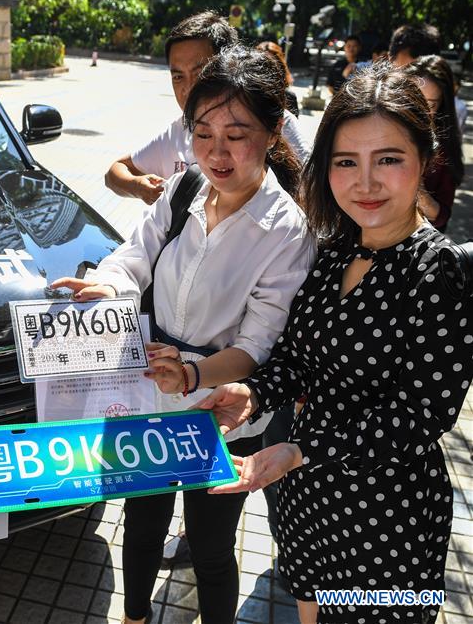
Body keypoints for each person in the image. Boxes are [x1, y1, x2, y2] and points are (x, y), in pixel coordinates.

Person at [200, 63, 473, 624]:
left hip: (387, 517)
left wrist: (302, 449)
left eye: (388, 160)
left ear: (424, 159)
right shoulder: (333, 248)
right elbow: (300, 358)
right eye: (346, 162)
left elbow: (421, 416)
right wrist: (252, 393)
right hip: (307, 494)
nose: (364, 183)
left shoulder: (437, 270)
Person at [55, 46, 316, 624]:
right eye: (202, 133)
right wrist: (108, 289)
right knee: (142, 525)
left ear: (274, 131)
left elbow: (256, 348)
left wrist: (195, 373)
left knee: (212, 545)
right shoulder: (182, 191)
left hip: (226, 413)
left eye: (236, 134)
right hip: (151, 393)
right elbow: (134, 257)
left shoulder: (287, 231)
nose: (216, 153)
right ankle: (135, 617)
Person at [105, 14, 311, 204]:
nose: (188, 89)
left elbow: (313, 191)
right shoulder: (178, 131)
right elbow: (115, 172)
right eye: (178, 76)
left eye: (236, 135)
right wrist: (140, 187)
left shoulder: (275, 123)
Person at [403, 55, 464, 231]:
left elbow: (441, 216)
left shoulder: (443, 149)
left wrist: (419, 190)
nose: (418, 111)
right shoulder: (375, 130)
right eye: (412, 100)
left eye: (430, 105)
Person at [257, 41, 299, 116]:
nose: (267, 70)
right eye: (261, 64)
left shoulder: (289, 97)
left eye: (272, 65)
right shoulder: (245, 96)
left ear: (280, 67)